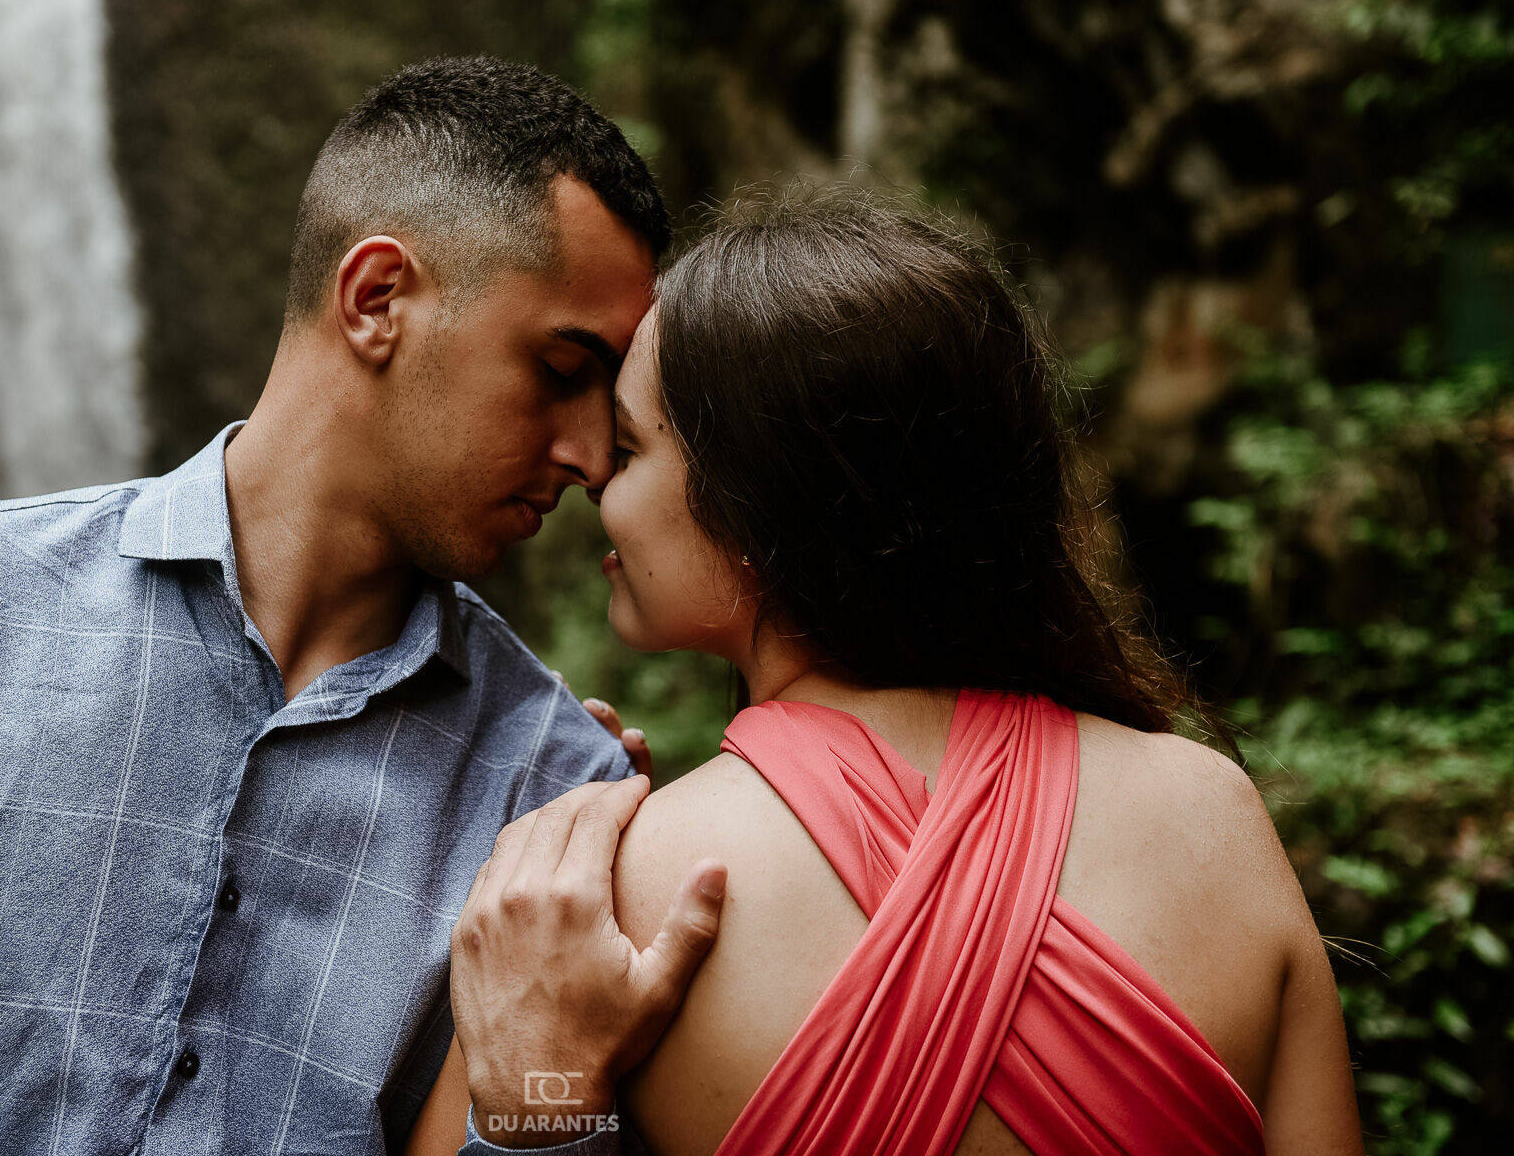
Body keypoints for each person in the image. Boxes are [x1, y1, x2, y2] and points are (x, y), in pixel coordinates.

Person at [0, 56, 729, 1155]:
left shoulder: (556, 797)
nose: (588, 454)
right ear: (376, 298)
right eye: (561, 366)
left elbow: (544, 1123)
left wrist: (549, 1095)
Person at [410, 188, 1366, 1154]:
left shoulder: (616, 894)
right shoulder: (1213, 817)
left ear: (756, 507)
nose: (596, 482)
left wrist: (540, 1095)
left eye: (627, 448)